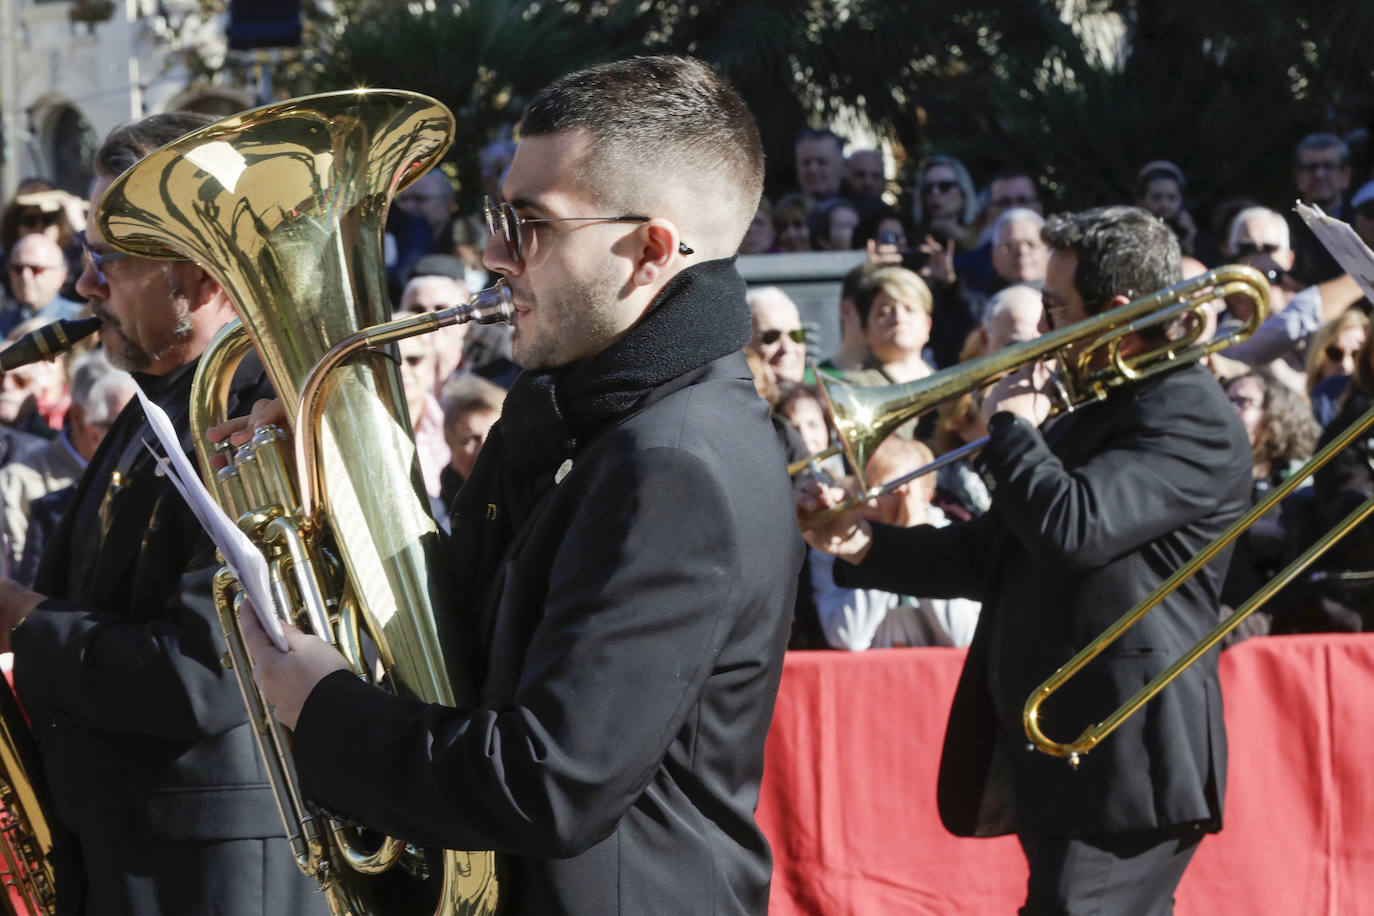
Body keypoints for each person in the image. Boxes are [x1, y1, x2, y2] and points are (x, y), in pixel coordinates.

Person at [232, 55, 802, 915]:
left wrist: (324, 710)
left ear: (649, 250)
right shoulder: (577, 411)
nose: (493, 254)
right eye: (500, 214)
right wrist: (326, 469)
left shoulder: (676, 462)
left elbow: (552, 784)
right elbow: (463, 636)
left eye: (530, 224)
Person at [805, 205, 1252, 915]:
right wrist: (859, 542)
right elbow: (990, 554)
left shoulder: (1189, 415)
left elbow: (1070, 529)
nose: (1045, 329)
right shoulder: (1091, 407)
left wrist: (1012, 423)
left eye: (1056, 308)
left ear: (1113, 313)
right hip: (1067, 753)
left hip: (1128, 757)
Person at [0, 112, 329, 915]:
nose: (84, 287)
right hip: (131, 854)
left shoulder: (261, 414)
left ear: (201, 276)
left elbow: (208, 671)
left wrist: (18, 619)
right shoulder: (156, 404)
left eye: (105, 262)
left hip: (210, 879)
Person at [808, 437, 981, 650]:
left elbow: (961, 635)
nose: (870, 501)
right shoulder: (834, 543)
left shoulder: (954, 537)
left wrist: (917, 541)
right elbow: (847, 636)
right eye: (868, 487)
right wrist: (884, 550)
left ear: (924, 496)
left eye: (889, 491)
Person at [0, 350, 134, 577]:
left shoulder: (142, 469)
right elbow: (20, 585)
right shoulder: (17, 483)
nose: (132, 438)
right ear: (77, 418)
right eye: (118, 427)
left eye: (139, 422)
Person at [747, 285, 808, 384]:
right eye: (771, 337)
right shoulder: (723, 398)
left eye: (796, 335)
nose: (787, 349)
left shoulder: (824, 397)